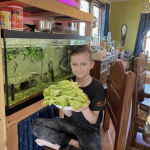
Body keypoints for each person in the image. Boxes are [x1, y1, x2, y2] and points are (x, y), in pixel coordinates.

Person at [31, 45, 105, 150]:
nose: (78, 68)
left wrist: (85, 108)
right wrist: (61, 102)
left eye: (83, 64)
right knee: (36, 125)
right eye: (75, 64)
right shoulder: (68, 83)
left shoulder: (97, 87)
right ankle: (74, 144)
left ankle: (58, 146)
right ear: (70, 65)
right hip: (69, 124)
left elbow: (93, 120)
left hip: (89, 130)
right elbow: (69, 114)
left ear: (91, 64)